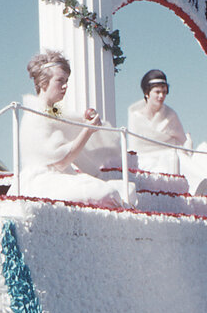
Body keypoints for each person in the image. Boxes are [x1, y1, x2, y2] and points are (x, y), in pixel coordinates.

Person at [18, 50, 129, 208]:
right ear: (43, 83)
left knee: (126, 189)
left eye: (66, 81)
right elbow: (61, 162)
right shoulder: (35, 115)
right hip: (41, 182)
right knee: (107, 193)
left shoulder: (54, 112)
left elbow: (72, 123)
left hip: (57, 177)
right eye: (60, 80)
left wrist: (86, 121)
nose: (65, 86)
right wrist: (87, 130)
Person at [127, 69, 207, 195]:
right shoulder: (135, 116)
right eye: (157, 92)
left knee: (203, 151)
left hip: (174, 156)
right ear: (147, 93)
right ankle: (200, 188)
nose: (161, 96)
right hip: (146, 161)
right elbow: (136, 147)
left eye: (164, 92)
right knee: (170, 159)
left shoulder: (170, 115)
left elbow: (183, 144)